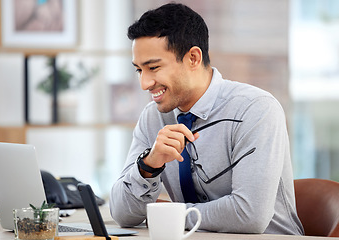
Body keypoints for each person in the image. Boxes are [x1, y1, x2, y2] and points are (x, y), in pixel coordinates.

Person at [110, 3, 304, 235]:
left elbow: (249, 215)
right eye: (139, 70)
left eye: (153, 67)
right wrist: (148, 166)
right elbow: (122, 214)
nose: (144, 83)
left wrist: (172, 215)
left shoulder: (255, 109)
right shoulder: (153, 117)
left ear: (193, 58)